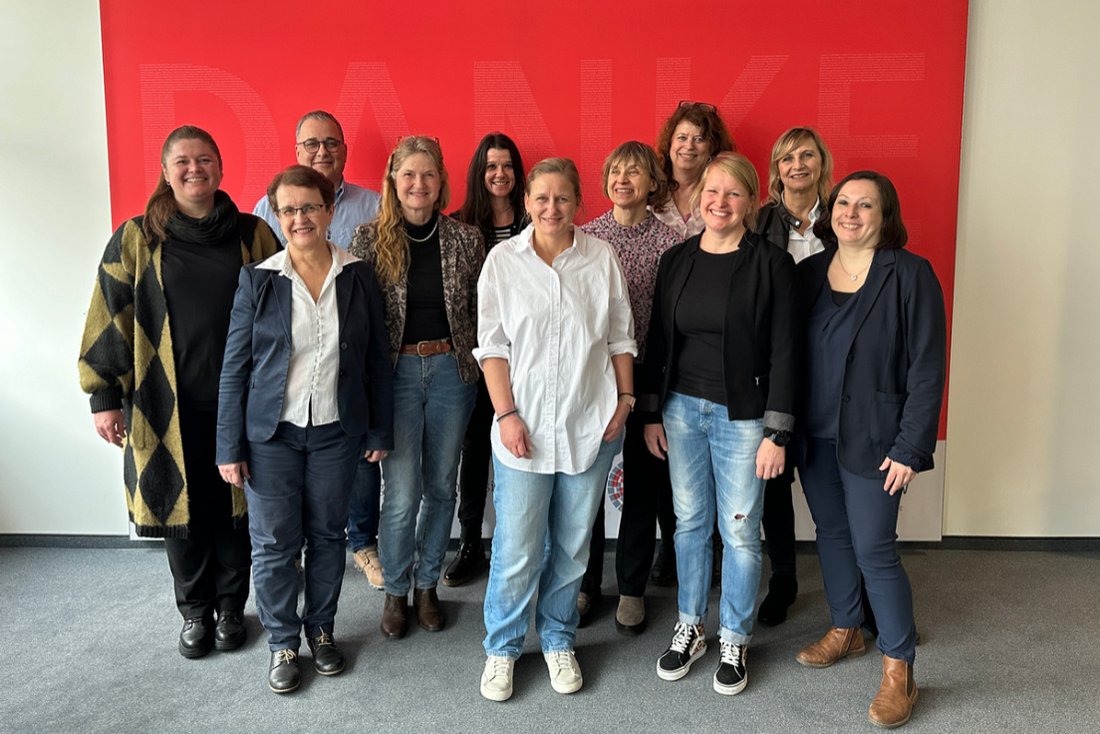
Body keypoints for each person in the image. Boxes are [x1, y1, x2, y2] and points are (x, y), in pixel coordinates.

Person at [78, 125, 279, 660]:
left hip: (242, 402)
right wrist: (103, 396)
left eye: (205, 159)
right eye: (183, 162)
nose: (195, 169)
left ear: (219, 167)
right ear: (166, 173)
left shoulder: (254, 234)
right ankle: (195, 611)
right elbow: (109, 316)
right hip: (164, 403)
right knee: (179, 510)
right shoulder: (136, 238)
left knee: (235, 508)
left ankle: (233, 608)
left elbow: (287, 315)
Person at [216, 165, 393, 694]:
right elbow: (235, 368)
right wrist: (229, 446)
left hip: (337, 432)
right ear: (276, 214)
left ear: (329, 211)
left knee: (326, 537)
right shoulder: (258, 280)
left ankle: (321, 630)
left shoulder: (359, 275)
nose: (300, 218)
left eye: (310, 207)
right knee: (272, 544)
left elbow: (376, 362)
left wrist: (379, 430)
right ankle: (282, 643)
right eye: (288, 209)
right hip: (272, 434)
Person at [475, 158, 636, 702]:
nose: (551, 208)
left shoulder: (601, 257)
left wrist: (626, 400)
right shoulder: (502, 261)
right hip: (522, 431)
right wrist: (507, 415)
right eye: (541, 198)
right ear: (526, 202)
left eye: (562, 198)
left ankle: (559, 638)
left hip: (589, 425)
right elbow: (492, 347)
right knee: (518, 549)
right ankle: (502, 648)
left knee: (570, 549)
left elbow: (620, 336)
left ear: (577, 203)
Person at [794, 171, 946, 728]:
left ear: (886, 216)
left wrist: (910, 447)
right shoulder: (808, 273)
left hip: (879, 440)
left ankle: (899, 668)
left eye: (865, 205)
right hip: (816, 434)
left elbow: (927, 369)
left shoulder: (910, 275)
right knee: (831, 534)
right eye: (843, 203)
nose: (850, 213)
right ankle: (846, 627)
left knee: (875, 550)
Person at [643, 152, 798, 696]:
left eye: (733, 194)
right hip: (681, 410)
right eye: (712, 192)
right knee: (688, 523)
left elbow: (786, 351)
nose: (720, 203)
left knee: (738, 530)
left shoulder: (771, 264)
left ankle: (734, 634)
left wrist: (777, 432)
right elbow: (659, 342)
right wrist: (651, 413)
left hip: (743, 416)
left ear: (749, 201)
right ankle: (690, 625)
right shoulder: (677, 259)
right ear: (699, 196)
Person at [349, 136, 484, 640]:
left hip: (452, 371)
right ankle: (396, 591)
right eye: (409, 174)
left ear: (441, 181)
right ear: (393, 181)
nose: (419, 184)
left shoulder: (466, 239)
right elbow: (360, 323)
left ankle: (429, 585)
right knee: (402, 493)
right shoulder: (368, 239)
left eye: (428, 175)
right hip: (397, 376)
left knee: (441, 487)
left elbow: (479, 313)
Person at [253, 110, 386, 589]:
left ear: (345, 150)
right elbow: (259, 290)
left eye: (332, 142)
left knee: (361, 458)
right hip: (291, 364)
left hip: (353, 351)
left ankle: (364, 544)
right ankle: (293, 554)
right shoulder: (268, 208)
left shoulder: (375, 204)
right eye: (312, 143)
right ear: (297, 150)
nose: (322, 151)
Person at [576, 141, 681, 634]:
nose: (623, 179)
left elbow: (669, 323)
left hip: (647, 375)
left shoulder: (671, 245)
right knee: (587, 483)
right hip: (593, 376)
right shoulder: (584, 238)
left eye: (635, 172)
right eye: (615, 170)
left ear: (652, 183)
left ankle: (633, 589)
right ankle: (584, 582)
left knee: (643, 485)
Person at [752, 126, 835, 626]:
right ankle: (783, 580)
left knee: (833, 488)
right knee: (774, 489)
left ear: (822, 163)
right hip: (775, 370)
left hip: (831, 372)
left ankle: (852, 587)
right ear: (776, 169)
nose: (797, 165)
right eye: (787, 157)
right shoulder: (758, 224)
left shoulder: (844, 219)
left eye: (807, 156)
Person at [445, 132, 527, 587]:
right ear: (480, 173)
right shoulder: (459, 227)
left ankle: (518, 546)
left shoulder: (537, 222)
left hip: (530, 359)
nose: (499, 174)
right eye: (491, 166)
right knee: (475, 454)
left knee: (525, 450)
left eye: (507, 166)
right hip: (478, 362)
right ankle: (471, 542)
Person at [650, 100, 736, 240]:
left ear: (711, 148)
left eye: (699, 139)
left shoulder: (724, 194)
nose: (689, 146)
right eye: (682, 138)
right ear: (669, 143)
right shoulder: (650, 189)